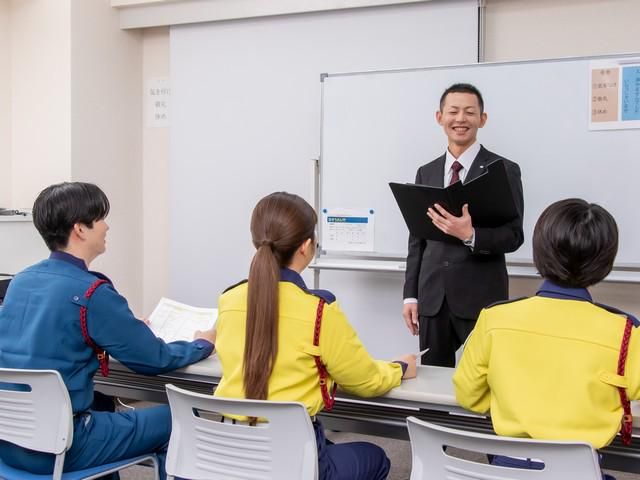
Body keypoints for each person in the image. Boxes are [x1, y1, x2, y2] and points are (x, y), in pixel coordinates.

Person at [0, 182, 215, 478]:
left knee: (102, 402)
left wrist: (123, 329)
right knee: (177, 419)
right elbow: (153, 359)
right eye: (101, 218)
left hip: (11, 446)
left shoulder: (20, 282)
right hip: (64, 447)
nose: (107, 226)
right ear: (80, 229)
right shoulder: (91, 293)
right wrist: (202, 344)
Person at [206, 191, 416, 480]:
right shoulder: (319, 311)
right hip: (294, 461)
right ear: (306, 246)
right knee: (376, 457)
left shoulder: (228, 300)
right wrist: (400, 367)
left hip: (231, 455)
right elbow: (365, 381)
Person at [453, 199, 639, 475]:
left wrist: (514, 403)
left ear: (539, 251)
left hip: (506, 471)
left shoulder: (495, 318)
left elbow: (469, 395)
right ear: (605, 263)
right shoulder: (626, 332)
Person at [403, 83, 524, 367]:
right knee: (432, 384)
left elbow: (514, 235)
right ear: (439, 117)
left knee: (484, 381)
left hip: (480, 297)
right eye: (453, 111)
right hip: (432, 298)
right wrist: (410, 294)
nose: (461, 119)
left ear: (482, 119)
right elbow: (416, 239)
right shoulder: (427, 170)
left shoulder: (503, 169)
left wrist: (471, 235)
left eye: (470, 112)